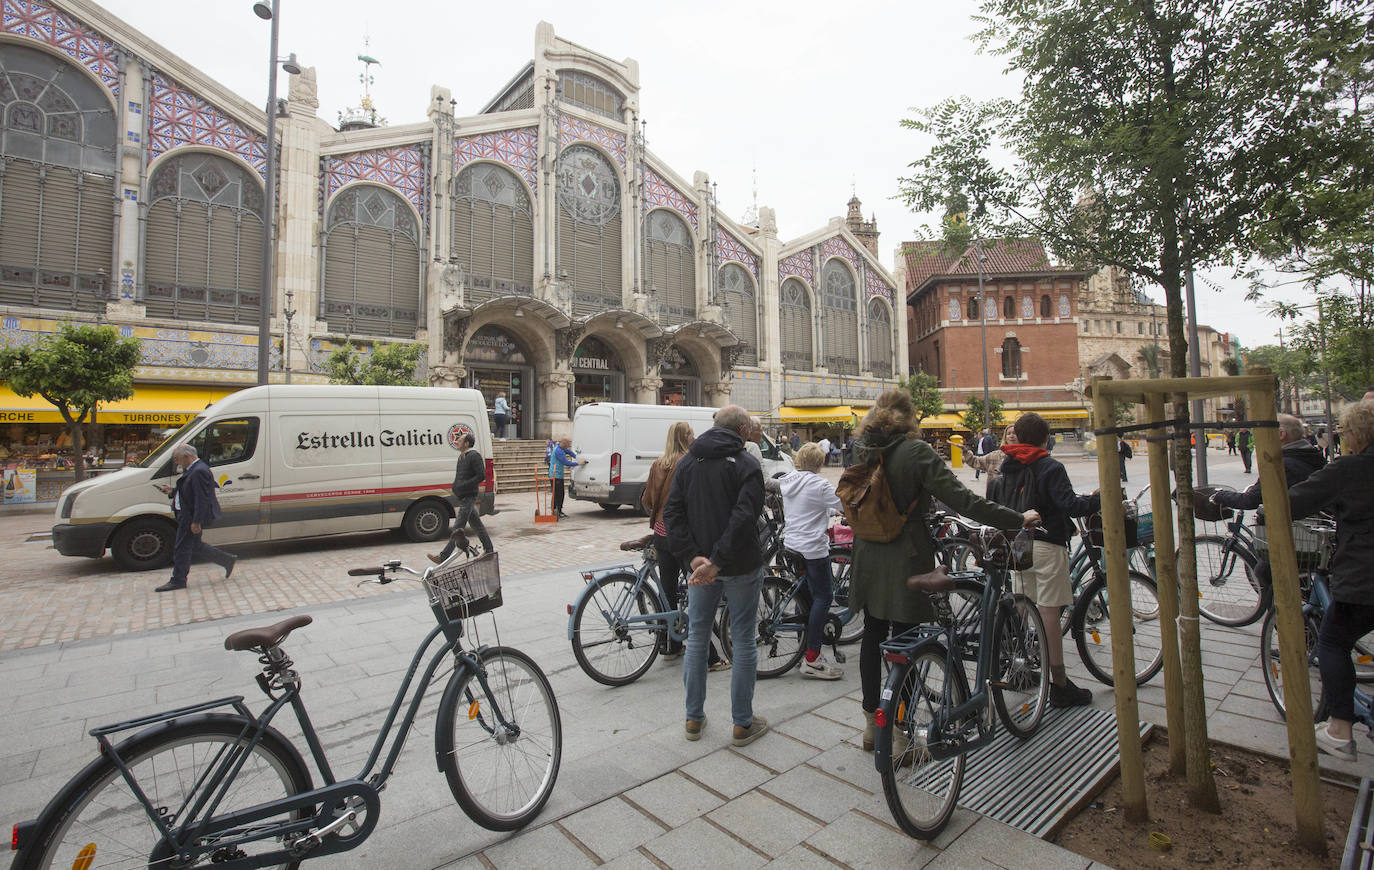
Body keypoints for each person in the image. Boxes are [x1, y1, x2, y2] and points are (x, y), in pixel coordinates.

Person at [849, 390, 1039, 751]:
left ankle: (873, 725)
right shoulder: (915, 452)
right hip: (905, 554)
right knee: (905, 642)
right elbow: (962, 499)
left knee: (873, 635)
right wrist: (1016, 518)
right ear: (909, 418)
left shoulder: (860, 450)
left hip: (867, 553)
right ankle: (898, 732)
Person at [664, 405, 769, 746]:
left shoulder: (688, 463)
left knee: (696, 637)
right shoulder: (748, 465)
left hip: (700, 569)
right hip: (738, 565)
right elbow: (744, 517)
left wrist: (694, 558)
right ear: (741, 431)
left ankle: (693, 718)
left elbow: (672, 513)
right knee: (742, 638)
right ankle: (742, 723)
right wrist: (716, 562)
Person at [1287, 401, 1374, 761]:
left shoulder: (1352, 468)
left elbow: (1294, 500)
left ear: (1355, 434)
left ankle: (1340, 730)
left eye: (1342, 431)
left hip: (1364, 578)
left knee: (1333, 643)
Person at [994, 412, 1100, 707]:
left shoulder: (1009, 463)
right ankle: (1060, 684)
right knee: (1049, 614)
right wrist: (1099, 499)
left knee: (1023, 608)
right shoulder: (1050, 466)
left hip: (1018, 546)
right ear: (1045, 437)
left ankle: (1017, 666)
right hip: (1047, 545)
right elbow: (1070, 504)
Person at [779, 442, 844, 680]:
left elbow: (804, 506)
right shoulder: (819, 484)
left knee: (804, 595)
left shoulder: (789, 480)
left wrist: (827, 512)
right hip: (813, 549)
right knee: (824, 597)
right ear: (821, 462)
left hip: (793, 544)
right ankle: (813, 657)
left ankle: (803, 647)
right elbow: (844, 504)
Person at [154, 445, 235, 592]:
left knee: (181, 548)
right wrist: (172, 491)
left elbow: (201, 498)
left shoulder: (199, 471)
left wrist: (196, 521)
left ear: (187, 456)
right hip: (185, 513)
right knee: (196, 545)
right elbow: (189, 491)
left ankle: (178, 580)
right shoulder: (192, 469)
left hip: (189, 516)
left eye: (178, 460)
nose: (177, 463)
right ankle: (227, 559)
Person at [1212, 414, 1326, 513]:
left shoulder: (1281, 465)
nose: (1259, 438)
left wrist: (1220, 496)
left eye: (1263, 433)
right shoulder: (1312, 455)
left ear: (1281, 434)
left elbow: (1250, 500)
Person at [429, 431, 493, 563]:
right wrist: (456, 486)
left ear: (467, 443)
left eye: (460, 440)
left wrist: (464, 485)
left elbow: (481, 475)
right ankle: (489, 549)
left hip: (469, 495)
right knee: (477, 525)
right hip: (463, 495)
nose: (457, 442)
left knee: (457, 529)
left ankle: (443, 556)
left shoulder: (474, 456)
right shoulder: (462, 457)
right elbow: (460, 476)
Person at [549, 436, 585, 518]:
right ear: (564, 443)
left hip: (557, 475)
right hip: (555, 476)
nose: (569, 446)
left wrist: (577, 457)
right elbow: (566, 462)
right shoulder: (558, 451)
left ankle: (555, 511)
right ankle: (557, 511)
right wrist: (579, 463)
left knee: (557, 494)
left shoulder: (561, 448)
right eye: (569, 444)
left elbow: (569, 452)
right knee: (559, 494)